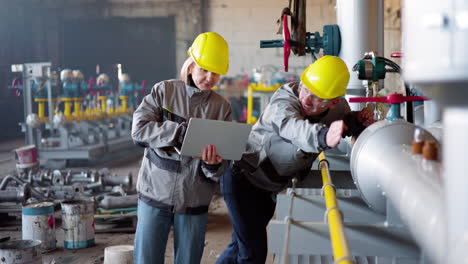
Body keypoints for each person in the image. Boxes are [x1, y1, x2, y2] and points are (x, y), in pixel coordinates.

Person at [216, 55, 374, 264]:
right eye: (305, 88)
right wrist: (323, 136)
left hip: (269, 187)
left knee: (240, 246)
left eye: (317, 97)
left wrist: (356, 122)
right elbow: (293, 127)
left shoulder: (338, 108)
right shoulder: (284, 101)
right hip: (242, 179)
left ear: (333, 101)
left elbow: (342, 124)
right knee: (252, 254)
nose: (306, 98)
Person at [132, 32, 232, 264]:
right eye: (203, 70)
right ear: (190, 66)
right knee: (146, 259)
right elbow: (139, 130)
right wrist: (177, 133)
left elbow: (222, 164)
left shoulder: (222, 108)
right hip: (155, 193)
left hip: (194, 198)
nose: (209, 77)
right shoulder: (164, 91)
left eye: (215, 73)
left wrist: (213, 163)